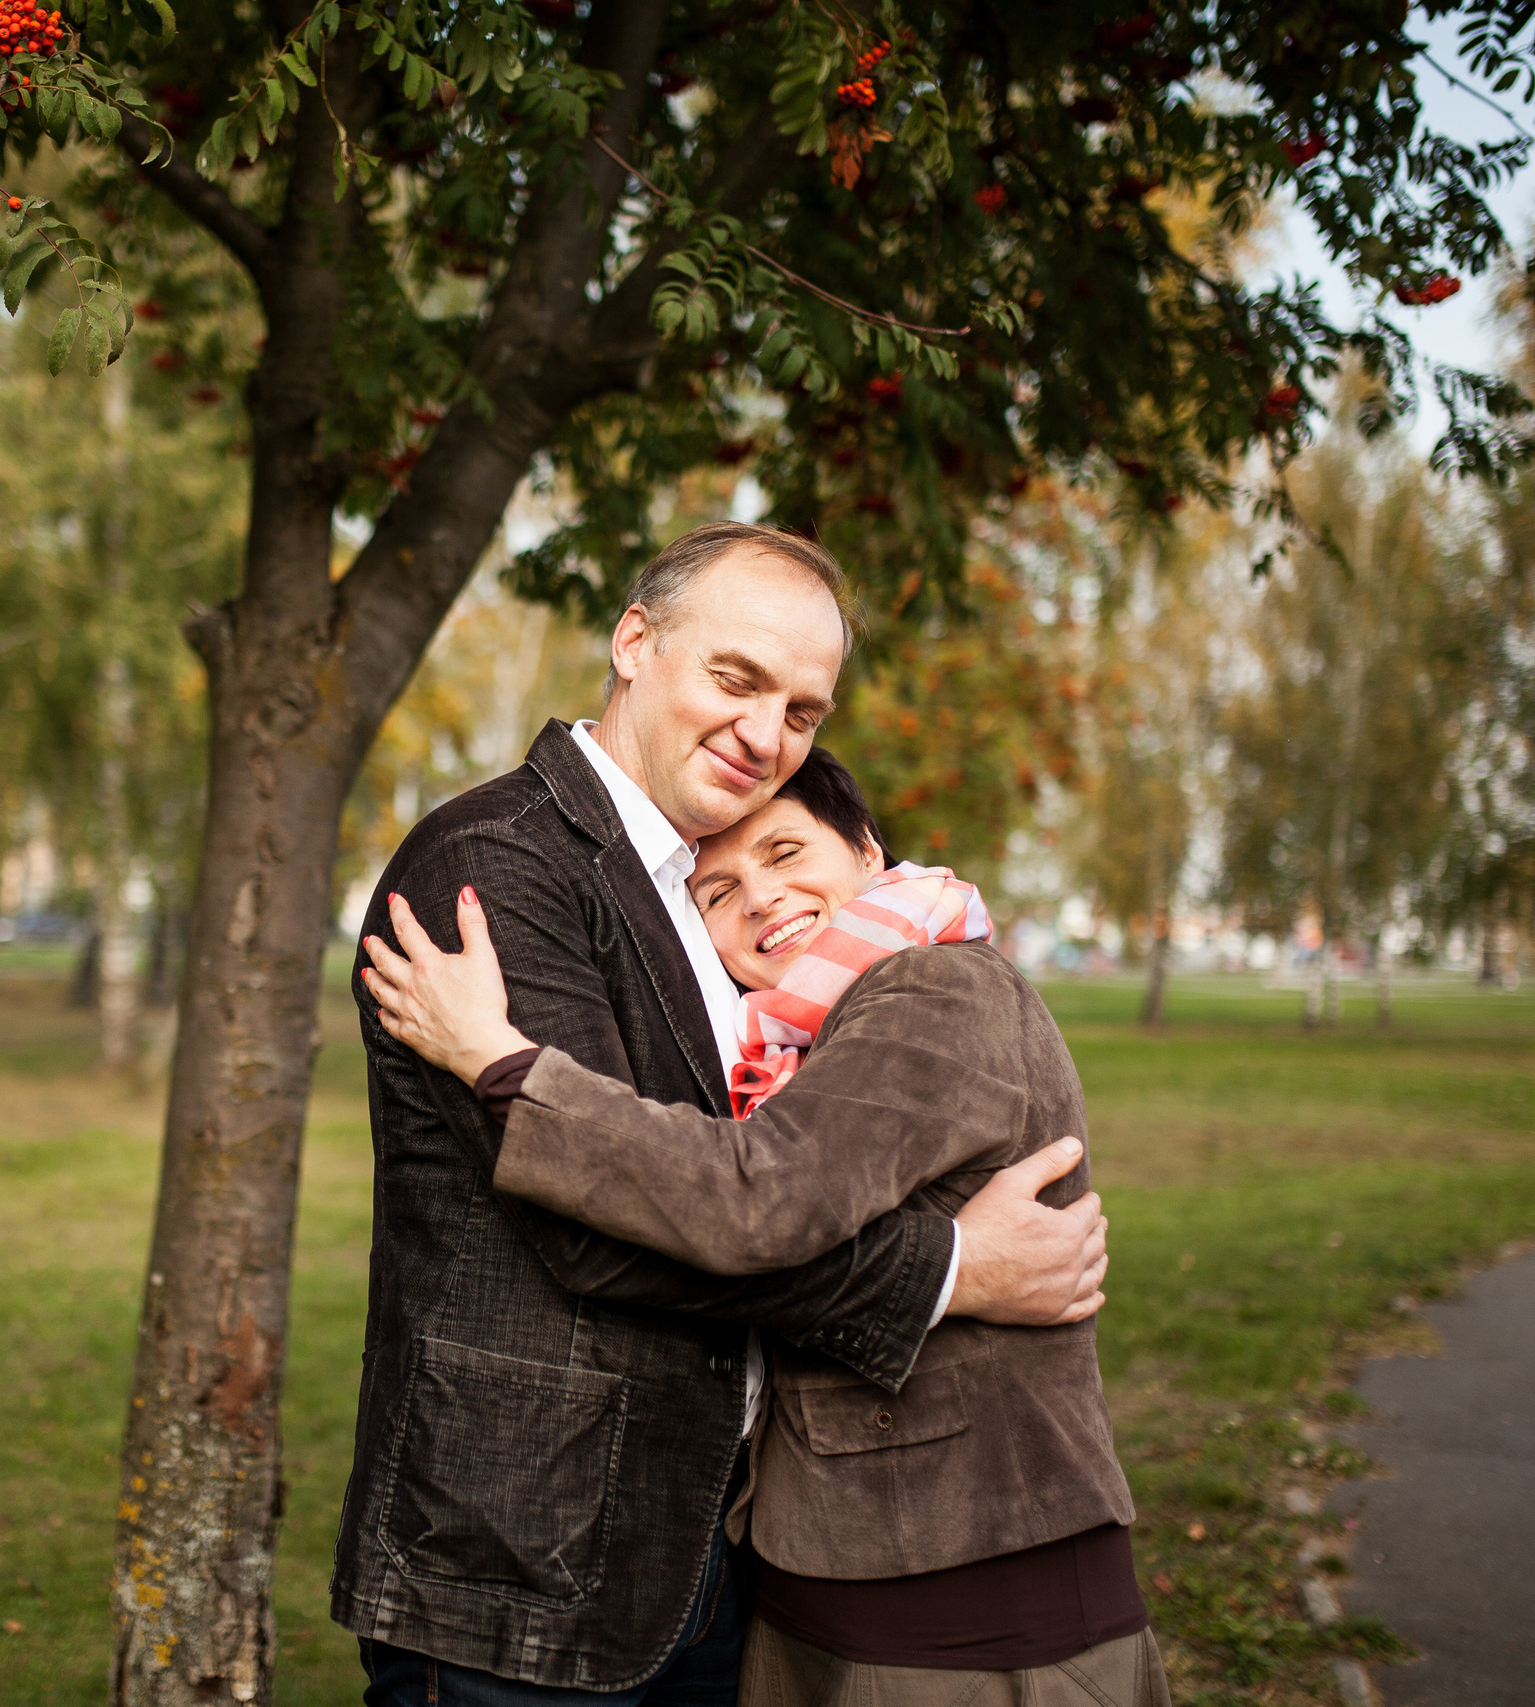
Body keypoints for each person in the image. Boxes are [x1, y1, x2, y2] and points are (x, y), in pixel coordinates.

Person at [330, 522, 1111, 1707]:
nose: (764, 736)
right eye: (735, 679)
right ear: (634, 643)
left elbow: (732, 1161)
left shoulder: (693, 887)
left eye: (802, 712)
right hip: (522, 1560)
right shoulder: (494, 864)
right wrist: (949, 1272)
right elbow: (602, 1231)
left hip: (699, 1543)